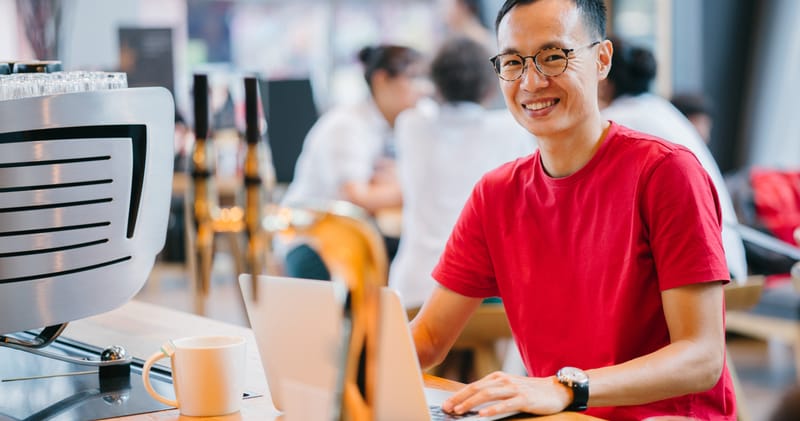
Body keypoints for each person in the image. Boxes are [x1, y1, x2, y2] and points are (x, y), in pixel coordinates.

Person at [410, 0, 734, 419]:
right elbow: (430, 336)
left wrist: (565, 387)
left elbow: (702, 357)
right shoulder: (495, 194)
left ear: (602, 60)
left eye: (552, 57)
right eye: (512, 62)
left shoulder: (665, 172)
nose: (530, 82)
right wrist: (336, 361)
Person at [389, 36, 535, 309]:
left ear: (435, 83)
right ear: (491, 88)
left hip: (414, 289)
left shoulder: (410, 125)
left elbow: (423, 107)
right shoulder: (510, 129)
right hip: (487, 295)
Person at [598, 36, 748, 283]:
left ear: (604, 80)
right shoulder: (657, 109)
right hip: (724, 259)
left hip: (705, 268)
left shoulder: (619, 120)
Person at [280, 44, 430, 278]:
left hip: (359, 236)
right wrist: (415, 188)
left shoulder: (407, 121)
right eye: (413, 78)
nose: (423, 89)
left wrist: (395, 184)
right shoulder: (346, 125)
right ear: (382, 80)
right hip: (313, 241)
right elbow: (357, 198)